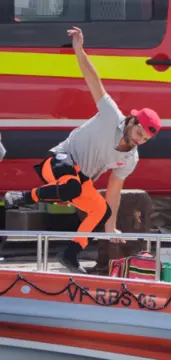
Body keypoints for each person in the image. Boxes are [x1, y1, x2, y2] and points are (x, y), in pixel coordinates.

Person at [3, 27, 161, 274]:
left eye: (145, 139)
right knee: (73, 185)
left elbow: (113, 192)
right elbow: (93, 80)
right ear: (132, 121)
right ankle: (22, 197)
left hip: (78, 180)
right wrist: (79, 51)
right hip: (58, 161)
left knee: (100, 209)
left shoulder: (131, 158)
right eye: (139, 134)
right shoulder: (112, 115)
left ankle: (70, 254)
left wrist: (110, 227)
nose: (139, 140)